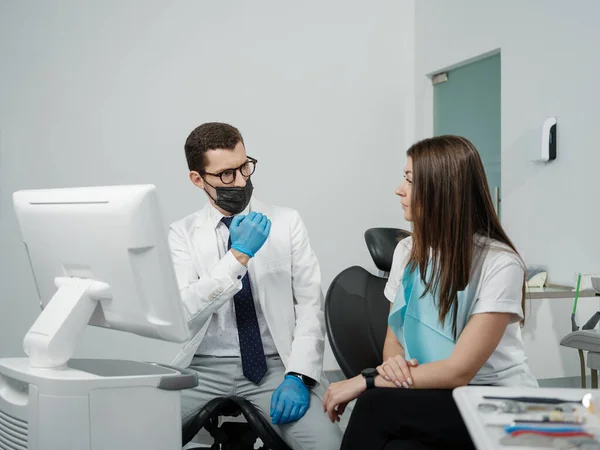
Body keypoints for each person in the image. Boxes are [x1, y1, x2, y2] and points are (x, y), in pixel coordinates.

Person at [323, 135, 538, 450]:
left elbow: (459, 371)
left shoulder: (500, 264)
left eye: (410, 180)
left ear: (442, 192)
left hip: (495, 400)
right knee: (386, 422)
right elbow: (394, 342)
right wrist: (392, 366)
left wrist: (367, 380)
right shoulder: (408, 251)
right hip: (435, 392)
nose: (399, 189)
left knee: (373, 404)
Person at [169, 122, 342, 449]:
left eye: (244, 167)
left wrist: (299, 375)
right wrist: (238, 257)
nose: (241, 181)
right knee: (129, 434)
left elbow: (310, 307)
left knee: (327, 444)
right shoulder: (182, 234)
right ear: (197, 179)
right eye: (225, 175)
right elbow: (183, 315)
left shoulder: (287, 222)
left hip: (275, 365)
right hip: (201, 368)